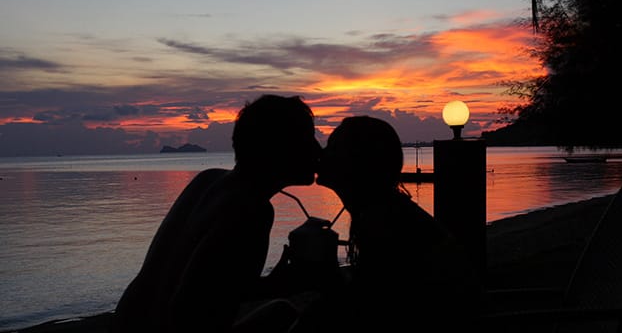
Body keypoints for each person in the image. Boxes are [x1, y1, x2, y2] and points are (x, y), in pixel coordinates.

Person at [111, 94, 321, 333]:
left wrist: (272, 285)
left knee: (279, 311)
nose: (317, 149)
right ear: (277, 148)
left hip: (124, 324)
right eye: (306, 138)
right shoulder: (252, 210)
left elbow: (207, 285)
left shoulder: (207, 179)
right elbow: (186, 311)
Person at [293, 115, 478, 332]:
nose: (322, 155)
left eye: (332, 148)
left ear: (358, 163)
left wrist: (327, 271)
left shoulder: (385, 224)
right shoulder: (387, 211)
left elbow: (367, 312)